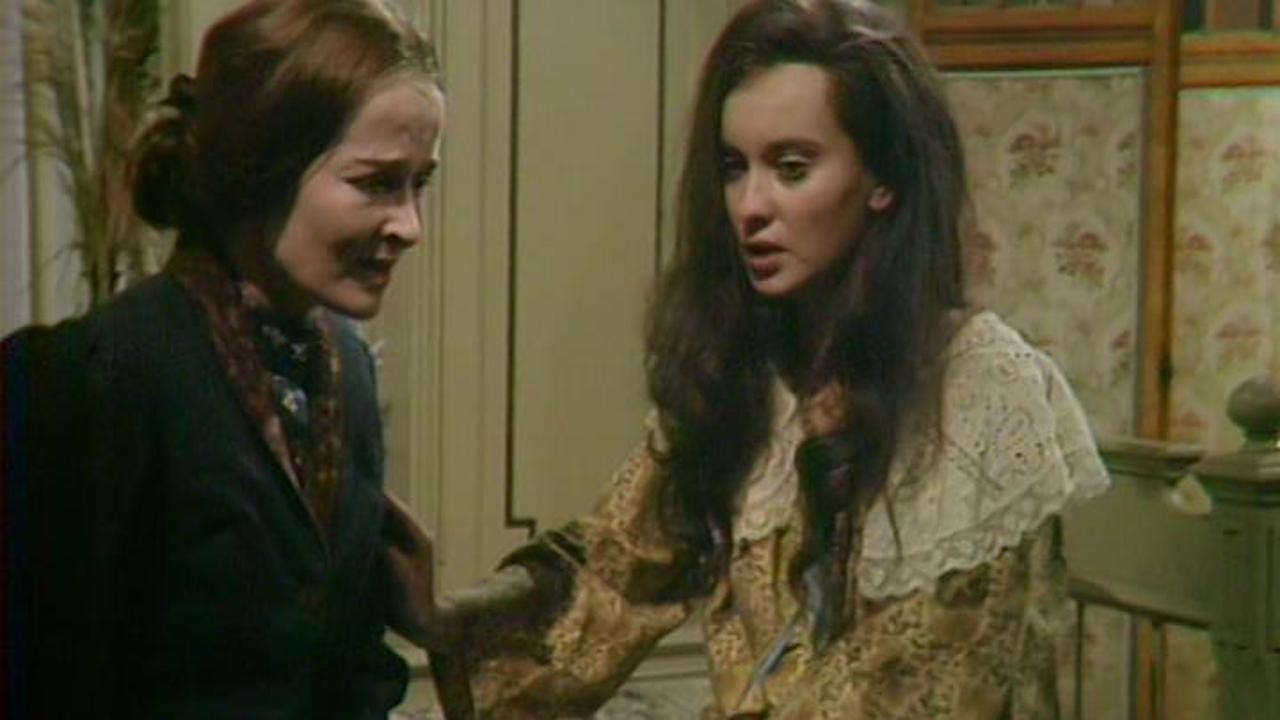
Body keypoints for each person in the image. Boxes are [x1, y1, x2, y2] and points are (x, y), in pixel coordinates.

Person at [384, 0, 1111, 718]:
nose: (750, 206)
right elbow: (616, 571)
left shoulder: (982, 393)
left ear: (884, 179)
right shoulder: (758, 367)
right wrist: (446, 618)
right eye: (735, 168)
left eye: (792, 168)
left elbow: (922, 686)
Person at [1, 0, 443, 716]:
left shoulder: (348, 367)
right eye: (376, 182)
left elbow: (351, 662)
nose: (410, 225)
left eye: (419, 183)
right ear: (261, 170)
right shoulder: (99, 374)